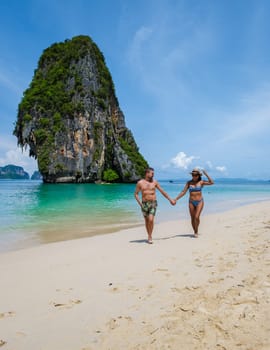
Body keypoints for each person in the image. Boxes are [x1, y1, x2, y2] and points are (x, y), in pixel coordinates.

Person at [134, 167, 175, 244]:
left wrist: (170, 200)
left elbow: (163, 192)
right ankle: (149, 235)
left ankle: (150, 236)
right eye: (152, 173)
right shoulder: (140, 183)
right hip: (144, 204)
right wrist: (140, 204)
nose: (153, 175)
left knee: (151, 220)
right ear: (147, 173)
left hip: (153, 203)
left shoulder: (155, 182)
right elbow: (136, 194)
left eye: (153, 173)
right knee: (146, 221)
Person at [174, 168, 214, 238]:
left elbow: (211, 182)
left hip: (200, 201)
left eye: (195, 175)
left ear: (198, 175)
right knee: (192, 218)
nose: (194, 176)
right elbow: (183, 192)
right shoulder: (189, 182)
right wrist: (176, 198)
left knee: (196, 217)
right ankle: (195, 231)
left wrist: (206, 174)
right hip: (191, 202)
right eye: (193, 175)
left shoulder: (201, 182)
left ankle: (197, 230)